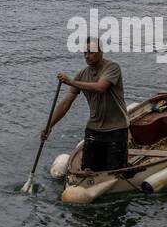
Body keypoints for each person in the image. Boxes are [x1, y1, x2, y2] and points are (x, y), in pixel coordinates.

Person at [42, 38, 129, 172]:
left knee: (115, 172)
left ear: (100, 52)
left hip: (116, 129)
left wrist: (71, 82)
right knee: (87, 170)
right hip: (94, 129)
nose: (87, 56)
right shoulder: (82, 74)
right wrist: (49, 126)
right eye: (85, 52)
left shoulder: (112, 68)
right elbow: (65, 103)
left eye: (91, 52)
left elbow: (100, 87)